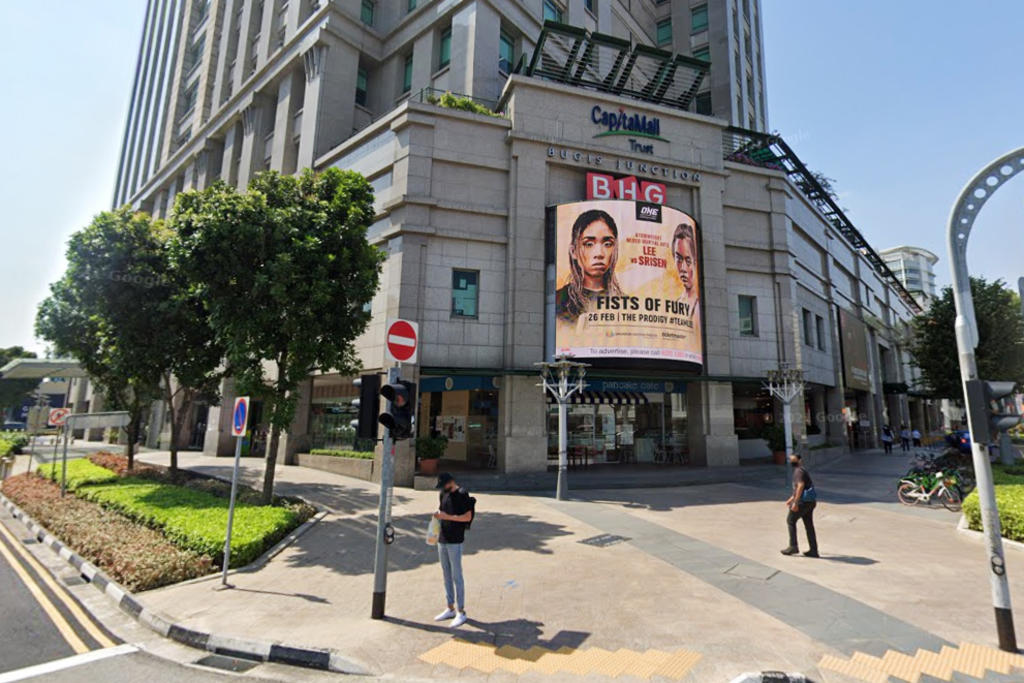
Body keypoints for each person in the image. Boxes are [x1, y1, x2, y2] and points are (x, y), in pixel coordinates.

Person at [555, 209, 624, 322]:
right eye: (589, 244)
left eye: (607, 244)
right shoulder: (558, 301)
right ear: (573, 251)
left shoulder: (626, 304)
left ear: (615, 249)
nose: (599, 254)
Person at [433, 472, 474, 628]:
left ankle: (461, 611)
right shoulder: (443, 494)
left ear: (451, 482)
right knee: (446, 575)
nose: (442, 488)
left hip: (455, 540)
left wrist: (447, 517)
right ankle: (450, 607)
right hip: (442, 539)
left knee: (457, 576)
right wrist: (437, 517)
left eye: (444, 485)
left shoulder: (462, 494)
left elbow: (467, 517)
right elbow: (442, 511)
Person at [781, 453, 818, 558]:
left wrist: (795, 503)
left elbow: (801, 486)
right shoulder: (802, 470)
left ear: (800, 460)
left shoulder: (799, 471)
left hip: (803, 502)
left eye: (793, 459)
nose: (791, 461)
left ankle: (793, 546)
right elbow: (799, 488)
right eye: (790, 459)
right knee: (809, 525)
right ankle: (813, 550)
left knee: (790, 520)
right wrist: (791, 499)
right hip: (810, 501)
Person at [671, 223, 701, 331]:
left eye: (688, 261)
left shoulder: (699, 307)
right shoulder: (676, 303)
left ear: (695, 261)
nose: (683, 268)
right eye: (678, 259)